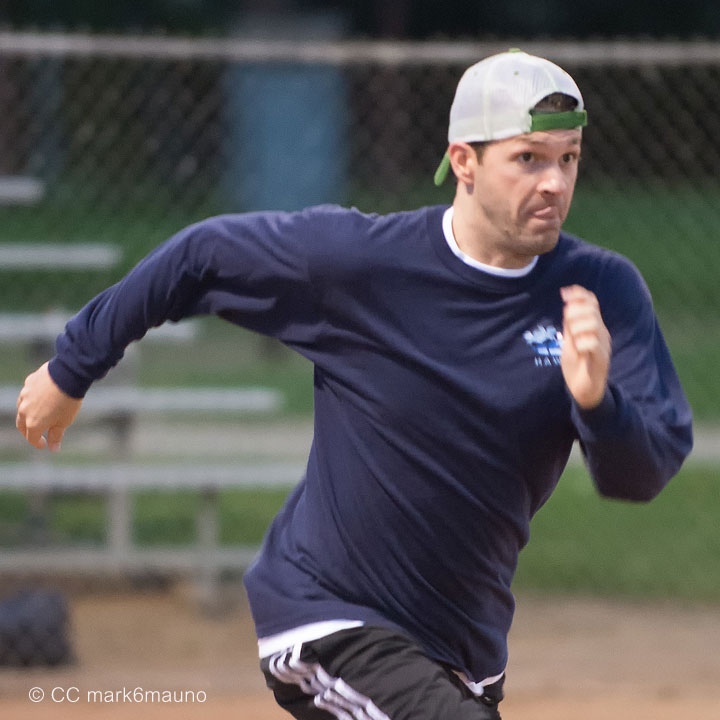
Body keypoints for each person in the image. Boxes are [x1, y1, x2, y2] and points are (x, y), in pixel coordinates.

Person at [15, 49, 693, 719]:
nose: (554, 182)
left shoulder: (600, 292)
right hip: (327, 618)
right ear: (464, 161)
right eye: (528, 158)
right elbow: (200, 257)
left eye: (568, 159)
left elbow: (642, 473)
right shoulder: (361, 264)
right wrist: (72, 367)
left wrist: (597, 403)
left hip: (463, 648)